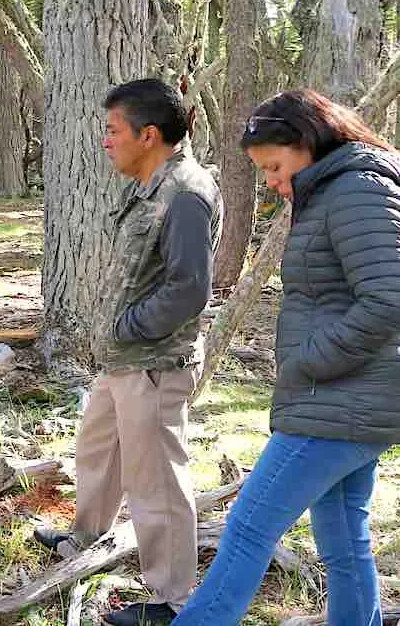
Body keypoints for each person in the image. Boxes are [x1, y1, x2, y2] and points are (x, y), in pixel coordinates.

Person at [173, 91, 400, 626]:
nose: (272, 182)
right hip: (349, 401)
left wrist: (310, 361)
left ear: (307, 144)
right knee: (345, 541)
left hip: (340, 402)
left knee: (249, 526)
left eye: (275, 167)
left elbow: (389, 298)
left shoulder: (355, 191)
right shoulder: (334, 190)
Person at [32, 79, 222, 626]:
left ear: (149, 134)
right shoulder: (149, 184)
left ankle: (172, 598)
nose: (105, 142)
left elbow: (189, 289)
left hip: (155, 362)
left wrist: (132, 325)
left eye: (113, 132)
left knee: (157, 478)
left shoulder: (185, 191)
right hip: (123, 359)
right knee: (99, 449)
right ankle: (86, 538)